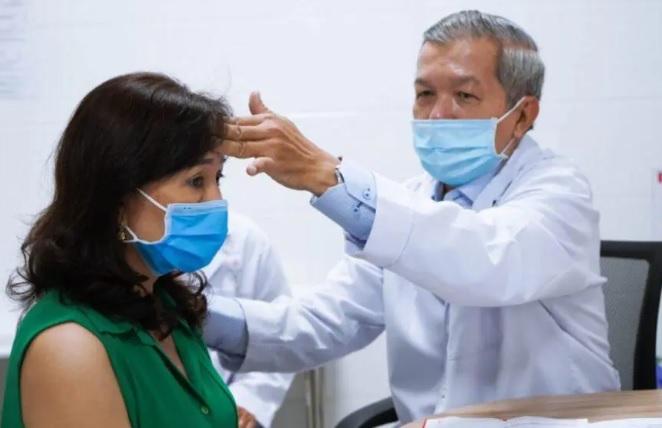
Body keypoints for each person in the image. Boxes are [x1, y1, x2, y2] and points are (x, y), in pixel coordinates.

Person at [205, 10, 621, 425]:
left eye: (464, 95)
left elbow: (485, 258)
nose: (437, 114)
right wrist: (197, 314)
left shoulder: (560, 194)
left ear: (523, 115)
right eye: (425, 94)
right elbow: (322, 323)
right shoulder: (407, 205)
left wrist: (329, 178)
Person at [2, 72, 239, 428]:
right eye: (196, 181)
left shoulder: (164, 307)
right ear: (118, 198)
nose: (215, 201)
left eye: (217, 179)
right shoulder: (71, 347)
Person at [203, 209, 294, 428]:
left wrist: (245, 402)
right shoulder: (130, 248)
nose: (214, 198)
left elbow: (276, 335)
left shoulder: (244, 238)